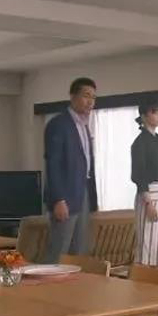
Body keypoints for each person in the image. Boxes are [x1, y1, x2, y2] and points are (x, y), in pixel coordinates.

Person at [43, 77, 99, 263]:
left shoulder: (84, 125)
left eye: (93, 97)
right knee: (59, 250)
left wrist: (93, 200)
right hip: (65, 196)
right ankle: (49, 283)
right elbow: (53, 164)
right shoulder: (58, 124)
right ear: (73, 96)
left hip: (83, 192)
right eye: (86, 96)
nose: (90, 101)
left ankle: (76, 283)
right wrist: (58, 199)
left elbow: (87, 163)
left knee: (79, 251)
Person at [131, 97, 158, 266]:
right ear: (144, 116)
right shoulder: (140, 143)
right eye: (155, 112)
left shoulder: (156, 141)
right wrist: (148, 204)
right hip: (148, 196)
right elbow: (139, 175)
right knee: (148, 244)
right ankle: (143, 280)